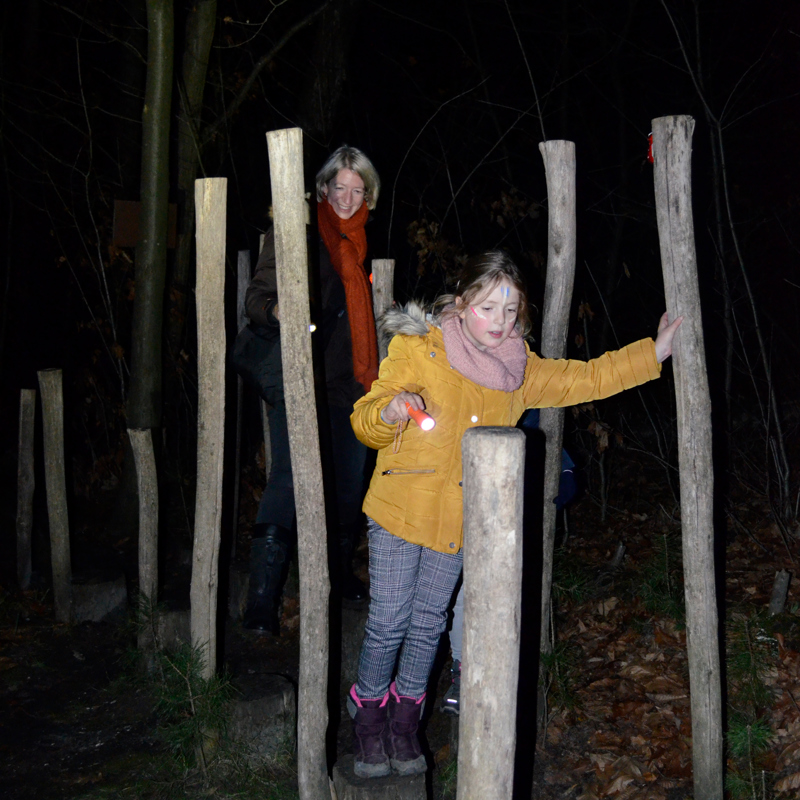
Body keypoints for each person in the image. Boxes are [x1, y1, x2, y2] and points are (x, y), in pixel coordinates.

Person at [345, 250, 683, 778]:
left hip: (458, 521)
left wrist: (654, 353)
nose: (500, 322)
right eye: (487, 308)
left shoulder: (518, 370)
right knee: (390, 619)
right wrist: (390, 410)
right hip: (398, 508)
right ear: (461, 304)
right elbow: (364, 420)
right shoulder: (418, 349)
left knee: (428, 625)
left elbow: (586, 377)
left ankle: (405, 723)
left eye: (510, 310)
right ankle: (367, 717)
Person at [238, 145, 381, 634]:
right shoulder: (296, 233)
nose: (346, 197)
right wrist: (281, 311)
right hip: (301, 377)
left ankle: (336, 577)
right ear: (322, 189)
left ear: (368, 194)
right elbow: (256, 298)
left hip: (349, 384)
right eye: (338, 187)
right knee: (290, 479)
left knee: (347, 485)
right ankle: (262, 600)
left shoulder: (361, 245)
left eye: (356, 188)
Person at [441, 408, 578, 716]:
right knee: (459, 594)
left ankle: (507, 672)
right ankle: (462, 672)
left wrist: (565, 469)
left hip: (509, 515)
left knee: (507, 592)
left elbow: (535, 424)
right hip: (454, 511)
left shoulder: (516, 396)